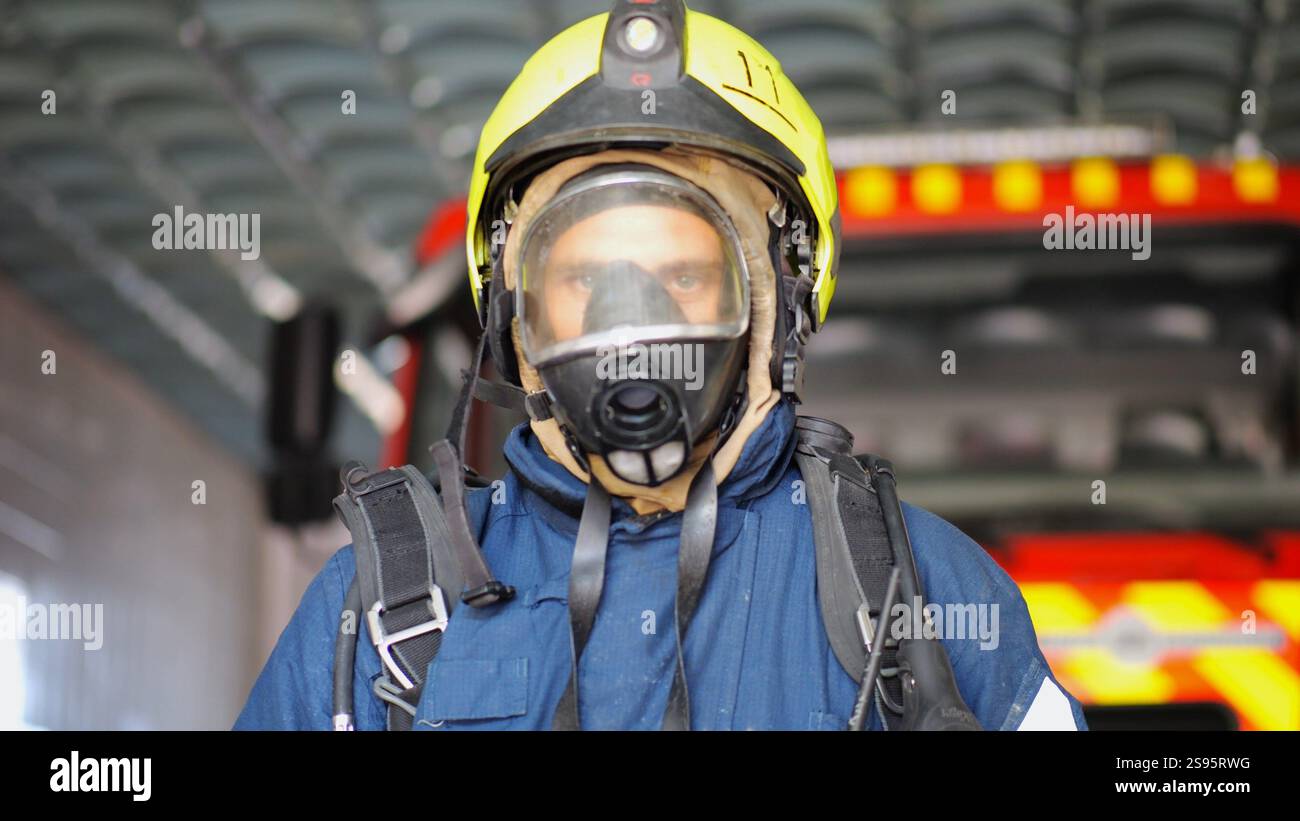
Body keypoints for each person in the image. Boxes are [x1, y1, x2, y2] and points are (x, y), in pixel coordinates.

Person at [235, 0, 1086, 731]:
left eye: (683, 275)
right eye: (585, 280)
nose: (631, 325)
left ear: (774, 300)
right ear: (516, 313)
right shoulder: (378, 608)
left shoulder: (920, 589)